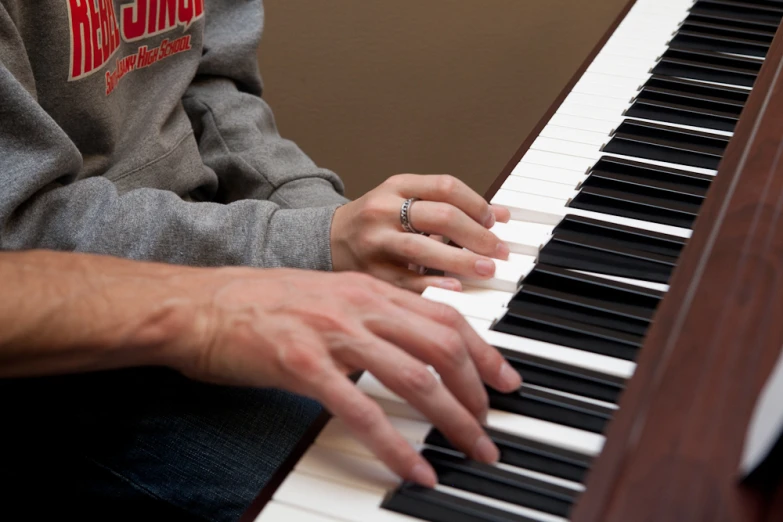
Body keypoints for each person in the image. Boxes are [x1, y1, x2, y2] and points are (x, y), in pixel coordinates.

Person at [0, 1, 518, 520]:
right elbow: (16, 233)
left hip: (209, 271)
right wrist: (298, 244)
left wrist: (331, 222)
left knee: (481, 409)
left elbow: (205, 82)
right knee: (441, 486)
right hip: (64, 365)